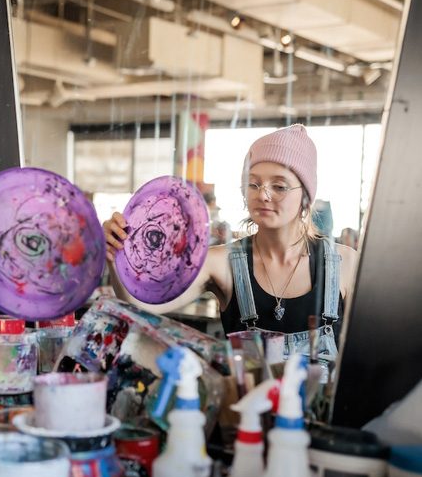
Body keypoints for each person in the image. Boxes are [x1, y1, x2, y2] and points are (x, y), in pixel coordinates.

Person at [103, 124, 357, 363]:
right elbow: (142, 306)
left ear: (306, 196)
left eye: (279, 186)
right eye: (253, 183)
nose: (263, 194)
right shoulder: (221, 262)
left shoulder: (344, 264)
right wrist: (117, 256)